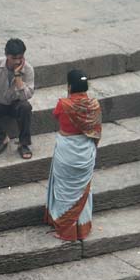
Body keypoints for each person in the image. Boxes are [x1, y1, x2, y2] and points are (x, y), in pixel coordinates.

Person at [45, 70, 101, 241]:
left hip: (67, 152)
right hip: (86, 152)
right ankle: (82, 229)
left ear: (69, 86)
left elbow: (56, 116)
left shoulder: (64, 104)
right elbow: (97, 130)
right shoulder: (95, 105)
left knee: (64, 191)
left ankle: (65, 231)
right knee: (81, 191)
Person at [0, 38, 35, 158]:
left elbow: (27, 96)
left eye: (20, 57)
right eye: (14, 58)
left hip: (15, 104)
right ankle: (1, 138)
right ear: (6, 55)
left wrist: (18, 76)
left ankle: (24, 144)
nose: (17, 61)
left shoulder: (28, 70)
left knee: (26, 107)